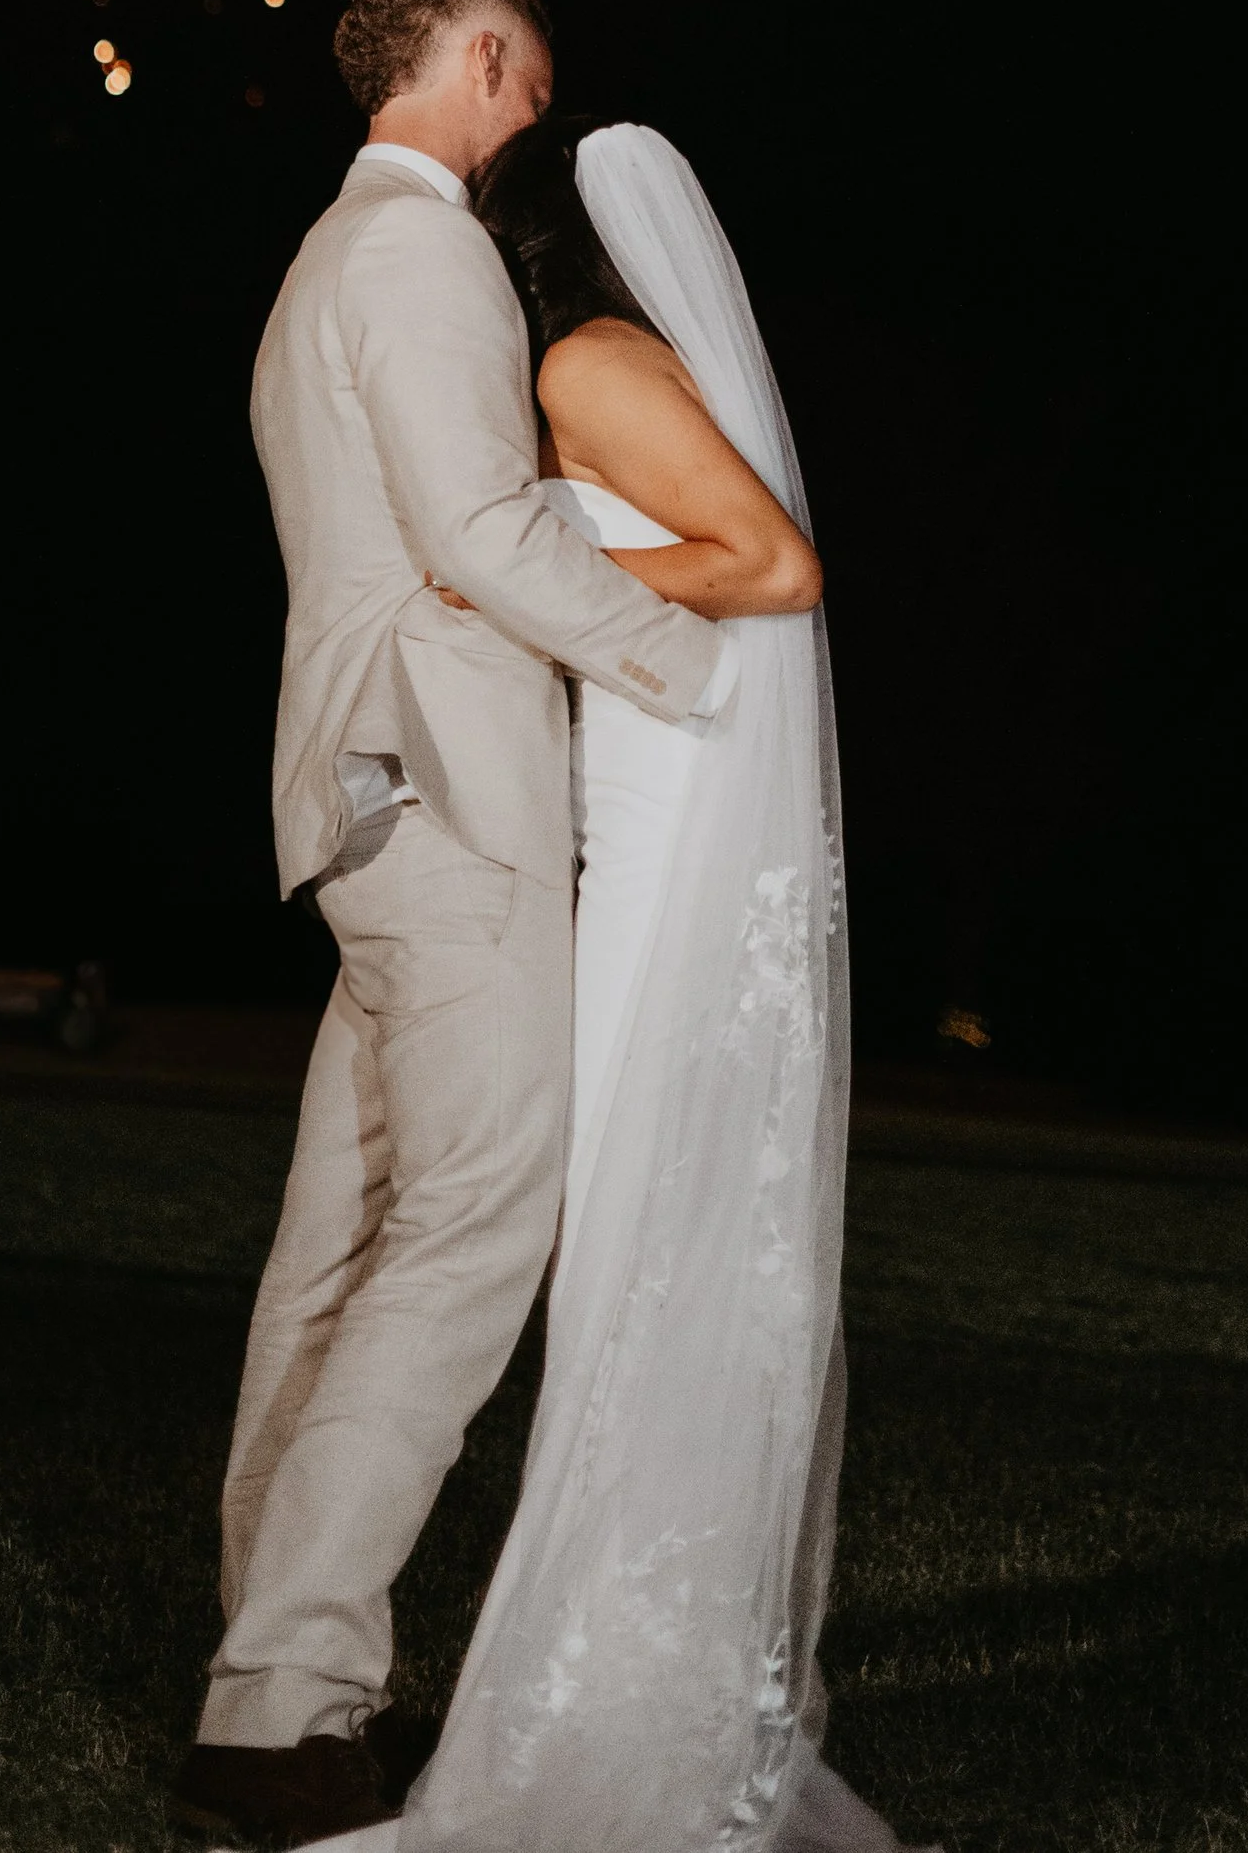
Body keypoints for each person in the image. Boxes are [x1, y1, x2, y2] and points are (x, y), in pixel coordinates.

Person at [171, 0, 816, 1853]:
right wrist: (686, 672)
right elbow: (473, 533)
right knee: (467, 1233)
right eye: (528, 80)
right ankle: (283, 1704)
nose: (536, 116)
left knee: (341, 1248)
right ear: (477, 53)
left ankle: (264, 1664)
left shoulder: (315, 264)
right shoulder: (424, 251)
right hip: (450, 806)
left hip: (362, 800)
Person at [377, 114, 924, 1853]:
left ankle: (627, 1713)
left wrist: (525, 582)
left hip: (674, 848)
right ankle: (650, 1680)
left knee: (644, 1246)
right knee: (650, 1250)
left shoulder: (598, 362)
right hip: (644, 815)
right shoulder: (614, 361)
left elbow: (774, 564)